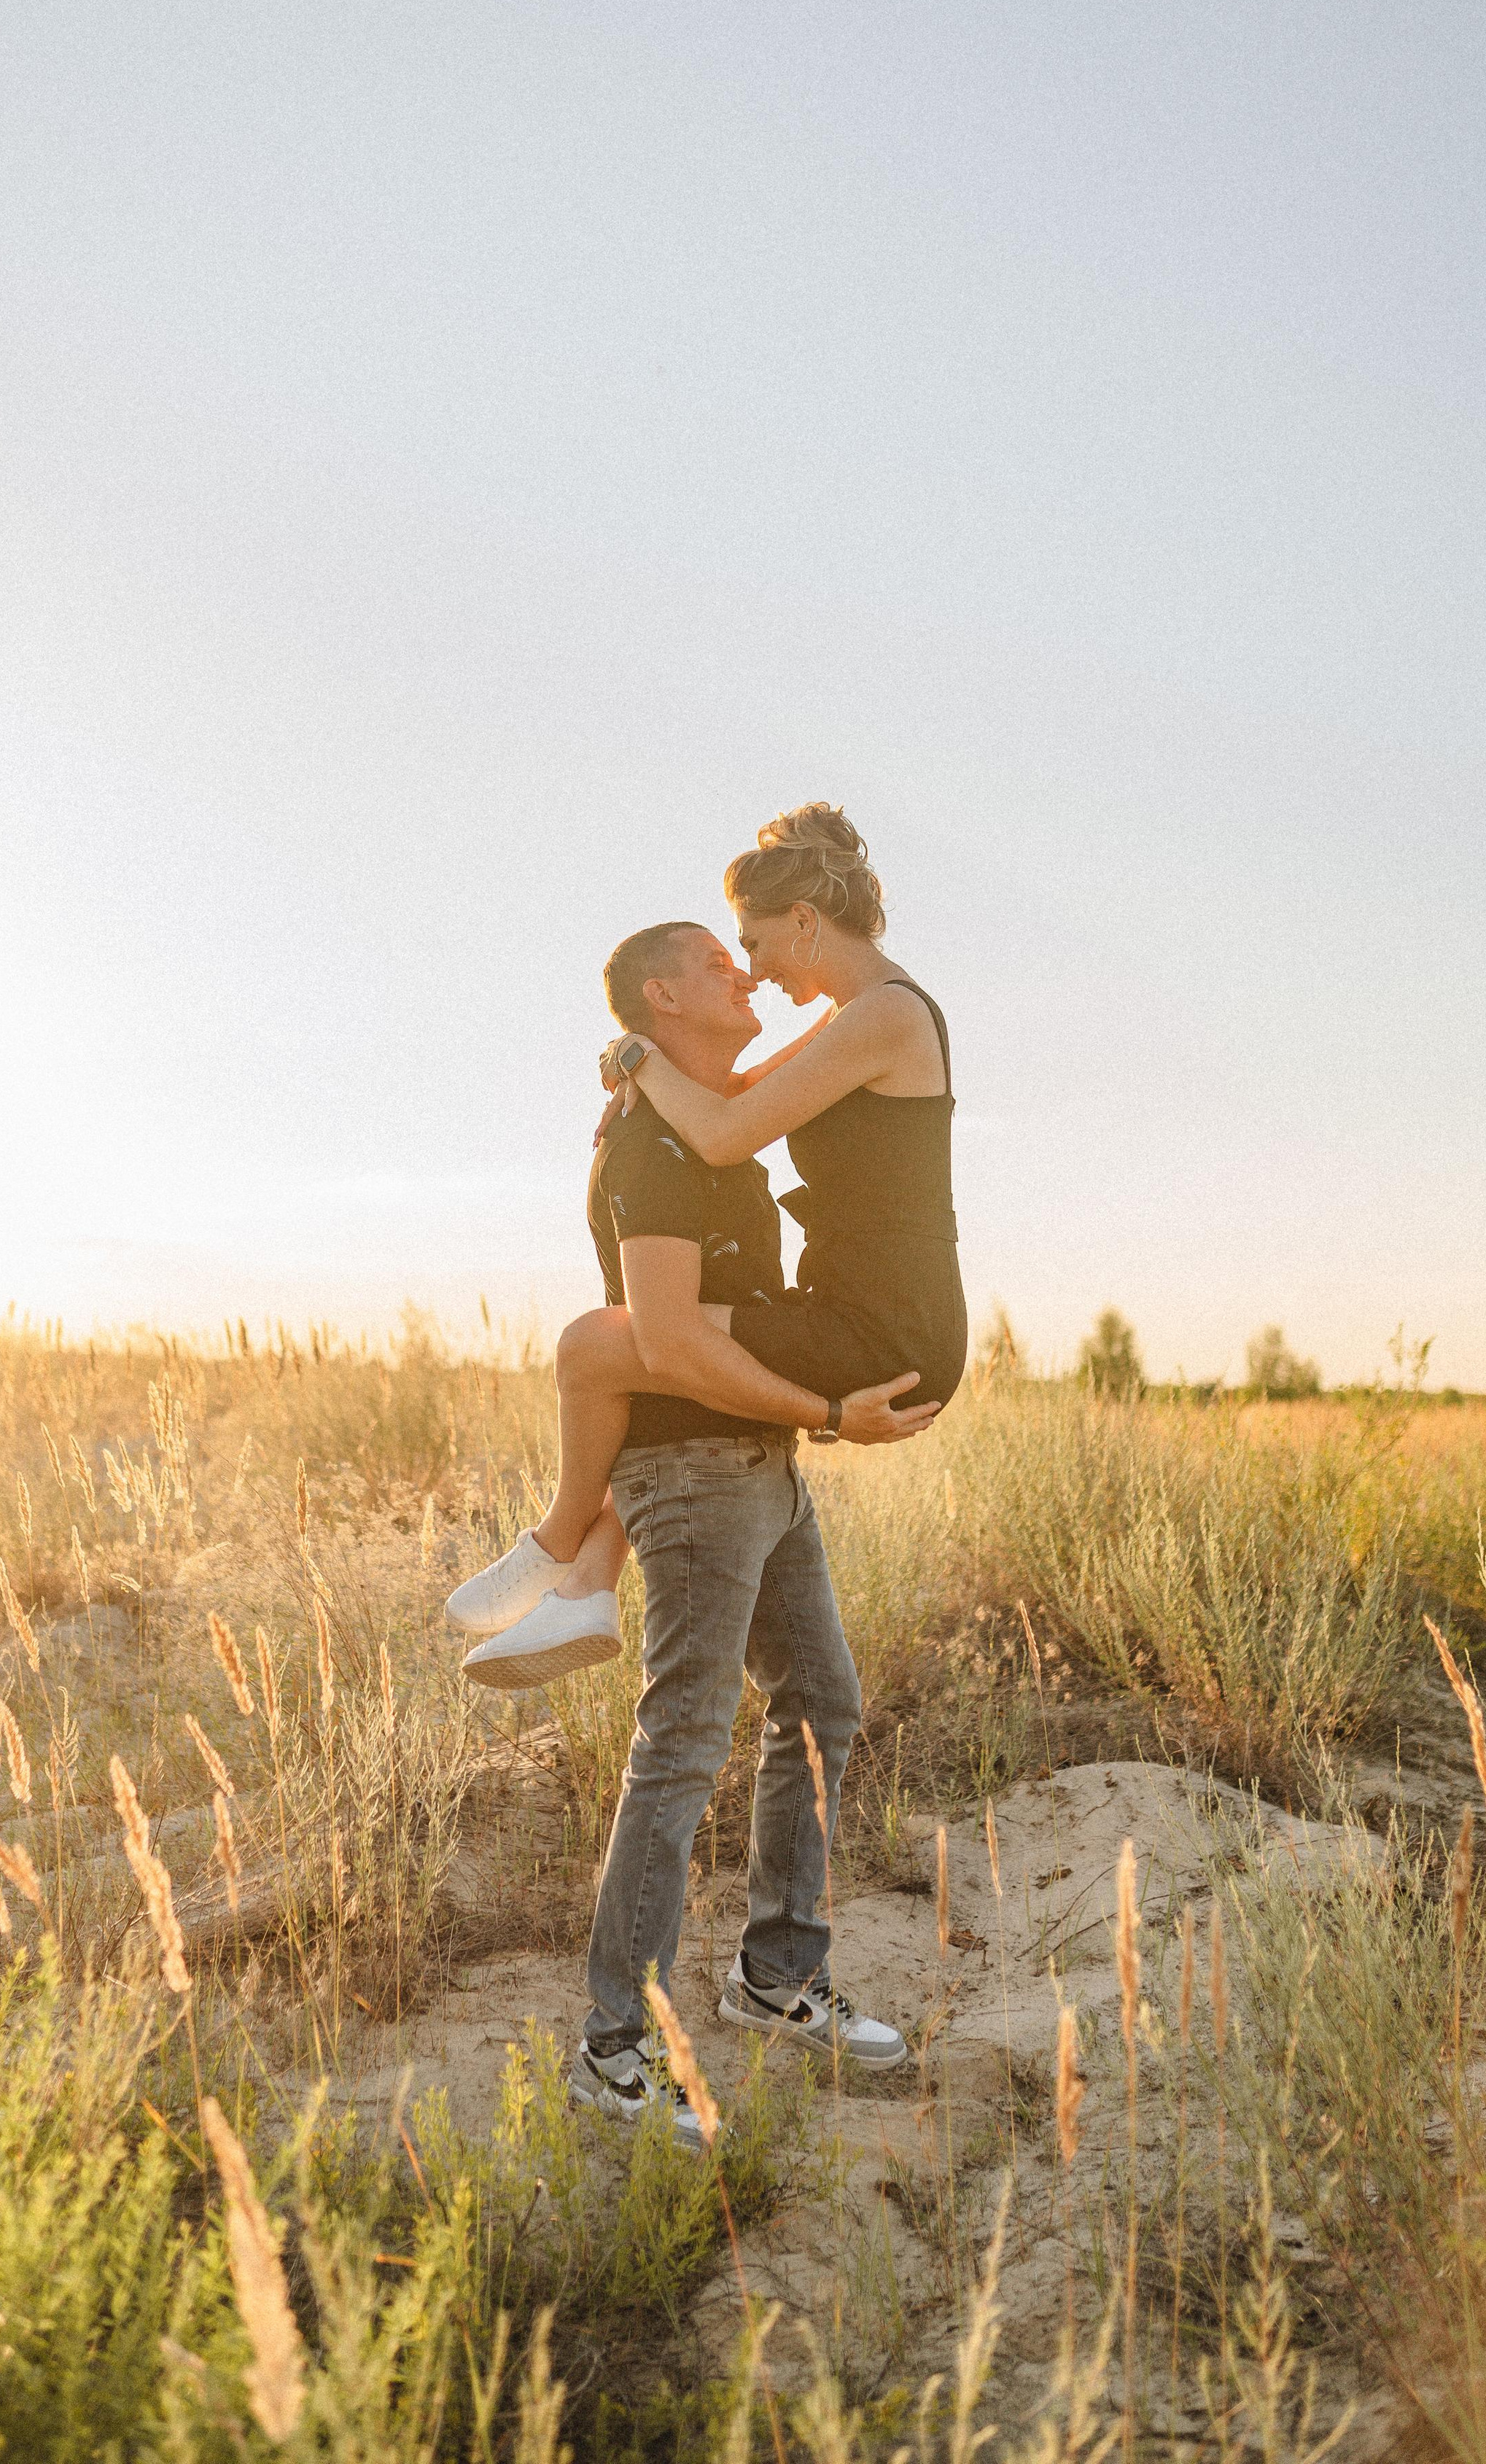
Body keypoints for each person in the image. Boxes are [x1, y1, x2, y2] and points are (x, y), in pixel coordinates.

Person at [454, 911, 918, 2132]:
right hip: (699, 1473)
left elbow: (813, 1051)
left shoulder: (705, 1121)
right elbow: (669, 1346)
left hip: (752, 1467)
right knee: (684, 1745)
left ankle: (775, 1978)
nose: (741, 971)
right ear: (661, 997)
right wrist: (829, 1409)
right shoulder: (662, 1148)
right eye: (717, 963)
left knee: (821, 1700)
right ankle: (615, 2043)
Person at [449, 804, 965, 1687]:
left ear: (804, 922)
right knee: (657, 1348)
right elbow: (729, 1094)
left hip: (886, 1326)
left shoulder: (886, 1016)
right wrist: (640, 1073)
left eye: (755, 945)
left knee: (602, 1343)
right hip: (852, 1305)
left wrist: (638, 1057)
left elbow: (723, 1132)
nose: (754, 972)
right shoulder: (862, 1020)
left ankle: (561, 1547)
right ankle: (583, 1583)